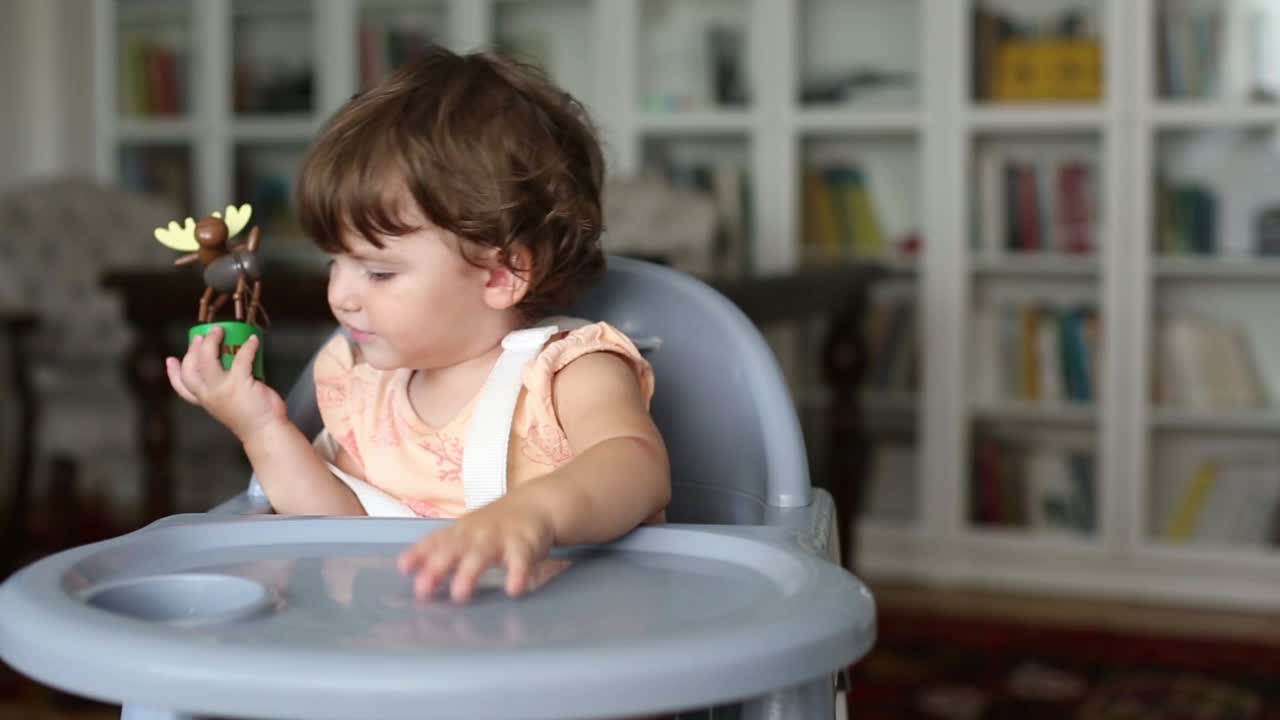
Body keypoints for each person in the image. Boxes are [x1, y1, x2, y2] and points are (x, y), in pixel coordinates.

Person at [165, 46, 671, 604]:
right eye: (336, 262)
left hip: (567, 663)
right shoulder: (367, 391)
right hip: (410, 662)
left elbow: (637, 468)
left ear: (501, 274)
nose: (341, 295)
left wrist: (537, 513)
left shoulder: (568, 373)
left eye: (379, 272)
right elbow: (339, 532)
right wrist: (261, 429)